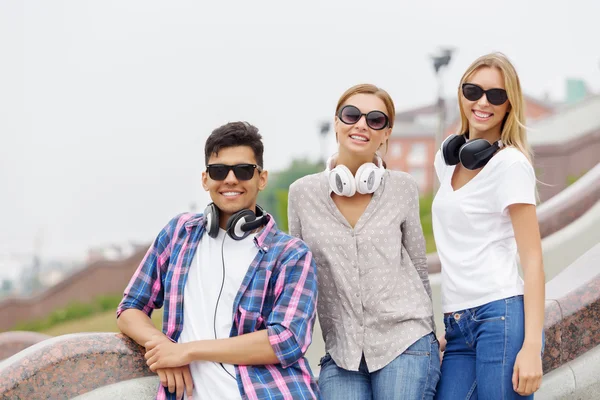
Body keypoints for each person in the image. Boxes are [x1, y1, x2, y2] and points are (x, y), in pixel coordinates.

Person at [117, 121, 320, 400]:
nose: (231, 179)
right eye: (219, 170)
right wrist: (162, 348)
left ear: (261, 179)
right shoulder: (179, 233)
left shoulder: (291, 254)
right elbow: (130, 308)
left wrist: (187, 350)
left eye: (244, 170)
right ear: (205, 179)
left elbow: (287, 340)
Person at [288, 84, 440, 399]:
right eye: (352, 115)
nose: (361, 124)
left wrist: (432, 332)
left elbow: (417, 263)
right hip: (341, 352)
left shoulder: (402, 187)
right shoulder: (302, 194)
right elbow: (298, 280)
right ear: (336, 122)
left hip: (406, 339)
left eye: (375, 119)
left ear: (386, 134)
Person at [432, 52, 545, 399]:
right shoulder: (445, 160)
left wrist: (531, 348)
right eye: (473, 91)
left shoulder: (510, 165)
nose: (482, 102)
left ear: (509, 104)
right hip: (456, 322)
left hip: (500, 315)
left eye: (495, 95)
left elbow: (533, 260)